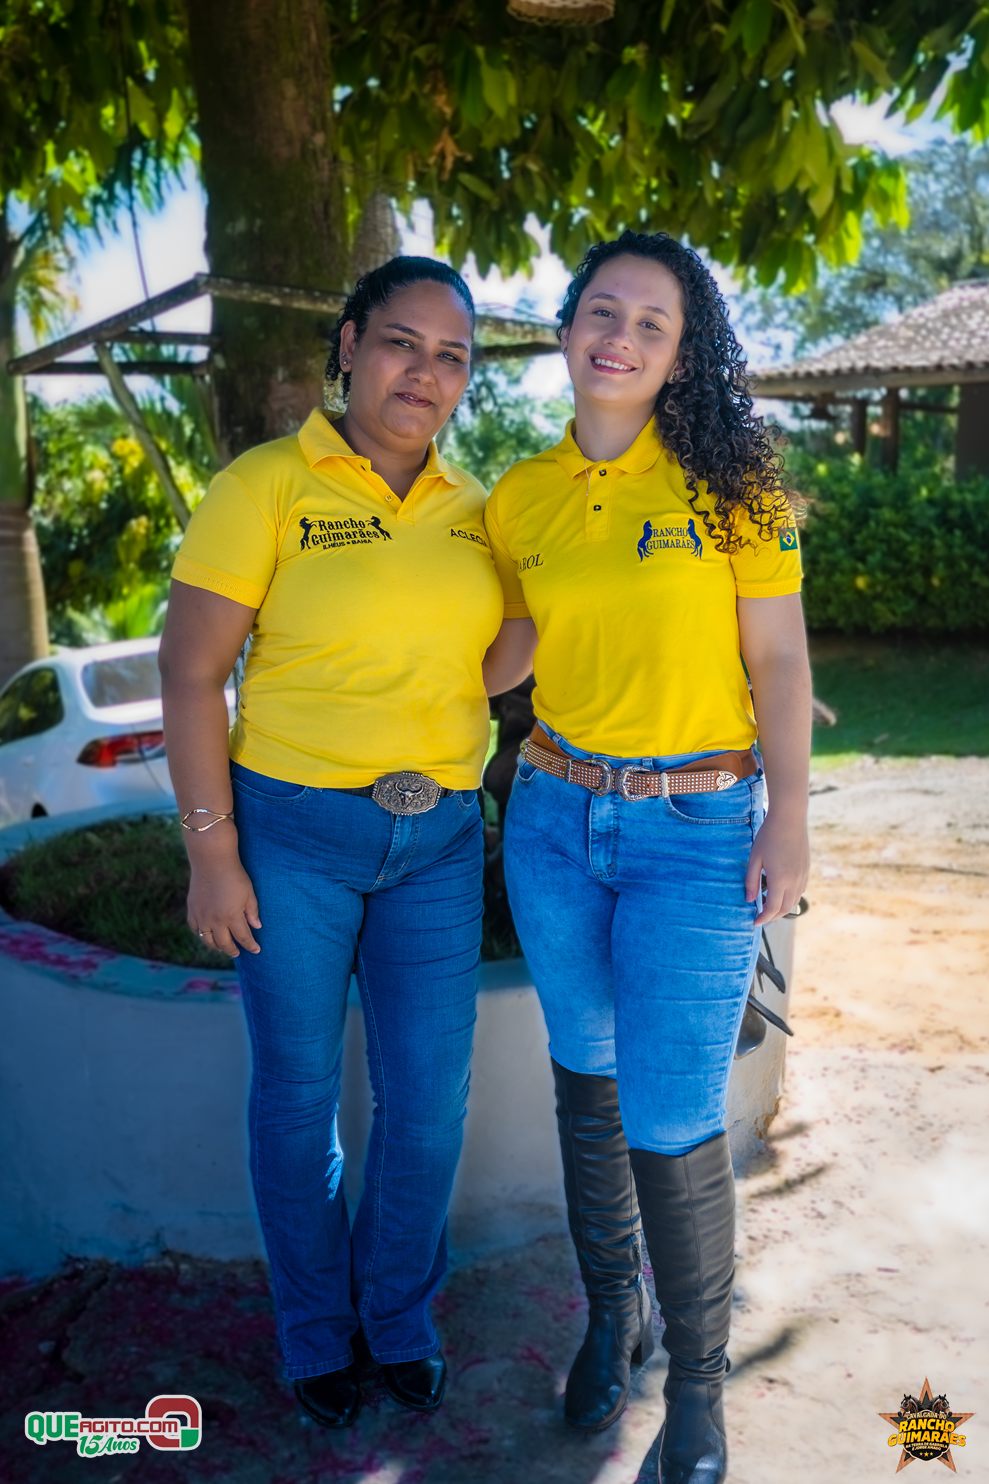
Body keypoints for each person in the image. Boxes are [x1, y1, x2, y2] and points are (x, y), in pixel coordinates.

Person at [159, 257, 512, 1431]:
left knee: (426, 1105)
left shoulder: (477, 507)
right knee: (298, 1098)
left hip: (438, 840)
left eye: (451, 355)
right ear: (351, 344)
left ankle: (398, 1316)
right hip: (290, 836)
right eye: (402, 342)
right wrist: (213, 853)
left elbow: (494, 659)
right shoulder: (264, 484)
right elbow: (191, 673)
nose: (425, 372)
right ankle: (316, 1330)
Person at [482, 230, 811, 1483]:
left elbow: (776, 657)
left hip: (697, 830)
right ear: (566, 326)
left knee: (672, 1116)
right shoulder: (519, 495)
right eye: (600, 311)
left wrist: (789, 813)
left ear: (681, 354)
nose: (618, 337)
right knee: (587, 1077)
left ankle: (697, 1395)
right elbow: (509, 645)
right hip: (552, 819)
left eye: (651, 323)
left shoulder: (735, 484)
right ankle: (608, 1317)